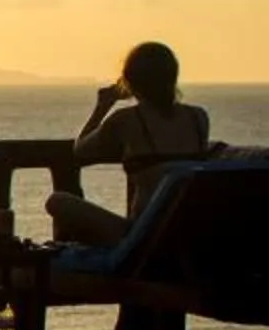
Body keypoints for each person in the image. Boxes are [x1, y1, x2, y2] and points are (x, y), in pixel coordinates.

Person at [47, 42, 212, 248]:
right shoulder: (198, 117)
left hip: (143, 236)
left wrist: (103, 105)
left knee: (57, 201)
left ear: (131, 81)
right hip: (187, 231)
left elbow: (81, 150)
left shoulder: (127, 120)